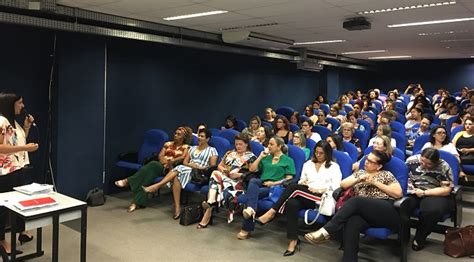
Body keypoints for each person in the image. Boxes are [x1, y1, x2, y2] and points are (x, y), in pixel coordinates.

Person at [304, 150, 403, 262]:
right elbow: (343, 184)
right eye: (366, 159)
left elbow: (398, 193)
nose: (366, 162)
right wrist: (359, 178)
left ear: (379, 166)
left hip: (384, 210)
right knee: (353, 222)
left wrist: (375, 183)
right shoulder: (360, 173)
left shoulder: (386, 174)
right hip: (365, 214)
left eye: (370, 161)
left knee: (356, 201)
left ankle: (327, 231)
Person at [255, 141, 342, 256]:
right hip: (304, 193)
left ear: (327, 154)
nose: (318, 155)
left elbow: (336, 187)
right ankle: (293, 240)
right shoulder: (308, 164)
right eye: (316, 152)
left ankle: (272, 212)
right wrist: (303, 182)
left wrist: (320, 190)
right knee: (292, 203)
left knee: (293, 187)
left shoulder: (333, 166)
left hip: (321, 197)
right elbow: (301, 179)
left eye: (322, 153)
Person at [143, 129, 218, 219]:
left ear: (207, 139)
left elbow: (212, 167)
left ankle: (157, 186)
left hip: (199, 173)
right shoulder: (193, 148)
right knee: (177, 177)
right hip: (188, 169)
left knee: (178, 169)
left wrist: (198, 167)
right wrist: (191, 165)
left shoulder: (212, 150)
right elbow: (185, 162)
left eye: (202, 136)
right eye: (199, 136)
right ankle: (177, 207)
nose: (199, 138)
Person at [114, 126, 193, 212]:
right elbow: (160, 155)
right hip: (161, 165)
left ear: (184, 137)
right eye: (175, 133)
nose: (175, 135)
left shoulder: (187, 147)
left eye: (178, 134)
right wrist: (165, 163)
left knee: (151, 165)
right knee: (146, 177)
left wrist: (171, 162)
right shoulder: (168, 144)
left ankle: (128, 181)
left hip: (172, 169)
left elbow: (183, 157)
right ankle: (136, 202)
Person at [0, 93, 39, 254]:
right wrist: (25, 148)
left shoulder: (12, 122)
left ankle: (21, 232)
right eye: (20, 103)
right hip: (5, 171)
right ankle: (1, 241)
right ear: (10, 104)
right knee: (3, 207)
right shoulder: (1, 121)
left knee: (19, 204)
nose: (22, 106)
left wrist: (26, 126)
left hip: (18, 168)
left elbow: (18, 142)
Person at [237, 136, 295, 240]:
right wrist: (260, 157)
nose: (268, 146)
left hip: (275, 187)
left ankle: (246, 228)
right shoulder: (266, 158)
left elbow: (289, 179)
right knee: (253, 181)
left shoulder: (288, 160)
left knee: (250, 197)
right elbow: (252, 169)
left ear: (279, 147)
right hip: (261, 182)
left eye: (271, 144)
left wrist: (273, 183)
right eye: (268, 144)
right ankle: (251, 209)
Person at [197, 133, 256, 229]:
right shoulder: (229, 153)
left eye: (240, 144)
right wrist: (222, 170)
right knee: (216, 172)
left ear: (246, 144)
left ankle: (210, 204)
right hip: (224, 178)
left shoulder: (251, 157)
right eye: (236, 144)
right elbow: (220, 165)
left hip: (237, 182)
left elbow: (252, 174)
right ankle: (211, 201)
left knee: (215, 181)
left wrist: (239, 175)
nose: (238, 146)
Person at [405, 148, 453, 251]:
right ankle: (403, 235)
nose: (424, 165)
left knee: (431, 211)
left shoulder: (443, 166)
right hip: (414, 190)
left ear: (436, 161)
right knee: (401, 206)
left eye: (429, 164)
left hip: (434, 192)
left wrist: (424, 193)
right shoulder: (411, 160)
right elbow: (404, 178)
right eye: (422, 161)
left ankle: (419, 239)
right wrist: (412, 189)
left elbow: (446, 189)